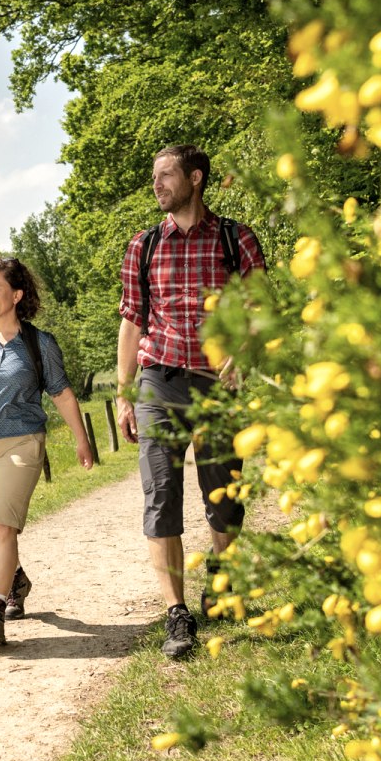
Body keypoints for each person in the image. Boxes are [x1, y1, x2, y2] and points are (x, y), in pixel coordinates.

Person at [117, 144, 266, 659]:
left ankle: (221, 579)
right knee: (160, 495)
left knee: (224, 496)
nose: (156, 184)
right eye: (153, 176)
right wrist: (124, 393)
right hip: (158, 379)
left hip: (218, 384)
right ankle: (176, 614)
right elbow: (132, 320)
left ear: (195, 178)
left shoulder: (235, 237)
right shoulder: (143, 245)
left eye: (165, 175)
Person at [0, 256, 96, 647]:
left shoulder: (38, 343)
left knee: (2, 526)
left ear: (16, 294)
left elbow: (60, 392)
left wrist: (81, 438)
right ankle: (15, 578)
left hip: (22, 442)